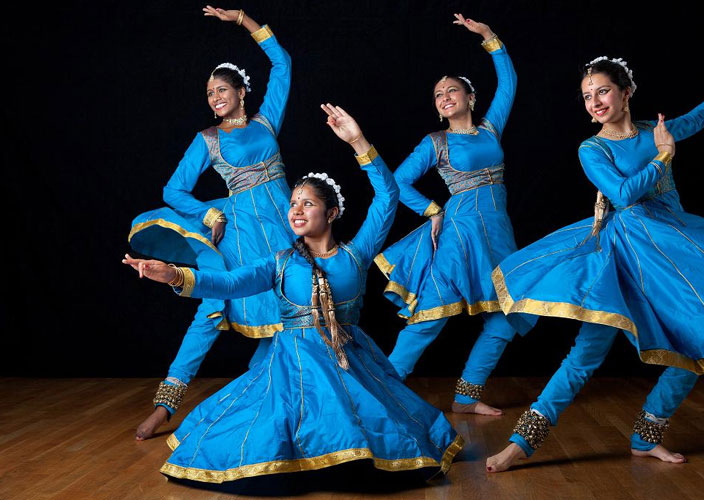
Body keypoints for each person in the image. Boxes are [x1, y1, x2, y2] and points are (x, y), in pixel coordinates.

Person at [485, 54, 704, 472]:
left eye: (603, 91)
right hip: (620, 257)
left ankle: (646, 437)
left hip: (673, 254)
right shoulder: (591, 148)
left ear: (625, 92)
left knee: (695, 346)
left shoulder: (656, 130)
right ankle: (520, 444)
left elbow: (693, 120)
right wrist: (663, 158)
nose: (594, 102)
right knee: (583, 357)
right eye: (587, 96)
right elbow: (623, 193)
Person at [122, 104, 463, 483]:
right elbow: (230, 283)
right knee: (271, 432)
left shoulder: (356, 253)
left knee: (385, 429)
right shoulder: (280, 262)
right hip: (293, 366)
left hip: (351, 360)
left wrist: (358, 140)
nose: (296, 209)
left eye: (308, 203)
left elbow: (387, 195)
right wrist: (174, 275)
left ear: (331, 213)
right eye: (293, 203)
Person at [127, 6, 294, 440]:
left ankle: (265, 396)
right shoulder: (209, 139)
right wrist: (208, 212)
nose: (214, 96)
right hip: (238, 234)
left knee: (293, 310)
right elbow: (173, 191)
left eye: (221, 88)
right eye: (208, 92)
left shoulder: (267, 122)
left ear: (242, 91)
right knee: (212, 310)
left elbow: (283, 62)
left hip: (288, 230)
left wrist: (243, 20)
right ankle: (166, 404)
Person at [375, 14, 522, 416]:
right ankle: (382, 394)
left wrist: (490, 37)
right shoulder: (436, 142)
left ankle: (467, 395)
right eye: (438, 94)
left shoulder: (491, 130)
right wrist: (431, 208)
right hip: (459, 234)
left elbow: (508, 83)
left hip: (499, 232)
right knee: (430, 313)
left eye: (452, 90)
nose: (444, 96)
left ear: (470, 98)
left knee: (508, 315)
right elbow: (396, 181)